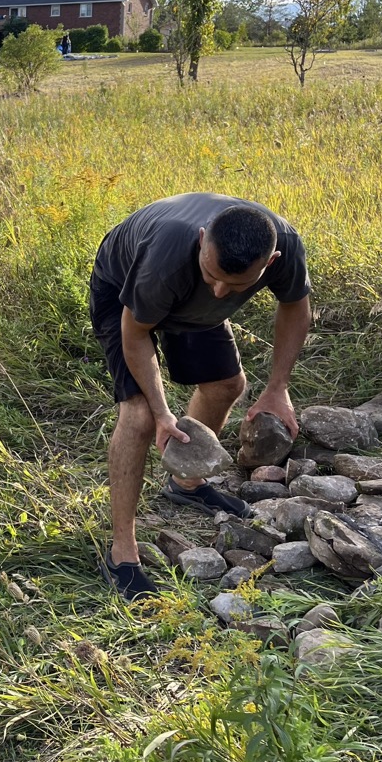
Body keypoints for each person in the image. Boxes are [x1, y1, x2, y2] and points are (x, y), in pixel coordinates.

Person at [88, 193, 312, 600]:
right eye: (211, 275)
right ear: (202, 239)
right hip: (123, 288)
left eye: (236, 285)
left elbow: (296, 307)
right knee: (137, 415)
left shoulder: (286, 245)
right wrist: (161, 412)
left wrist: (278, 388)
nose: (221, 290)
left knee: (227, 386)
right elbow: (136, 333)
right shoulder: (166, 255)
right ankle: (122, 553)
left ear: (271, 262)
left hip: (189, 302)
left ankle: (185, 483)